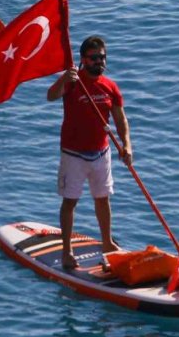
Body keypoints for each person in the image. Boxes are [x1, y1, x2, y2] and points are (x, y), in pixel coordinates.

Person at [47, 36, 133, 269]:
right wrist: (65, 77)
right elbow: (51, 95)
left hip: (101, 153)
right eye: (94, 58)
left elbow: (120, 119)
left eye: (103, 57)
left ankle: (107, 243)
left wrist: (127, 145)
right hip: (73, 155)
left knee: (103, 199)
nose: (100, 62)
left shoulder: (110, 87)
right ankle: (67, 252)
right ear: (83, 60)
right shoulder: (74, 83)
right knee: (70, 202)